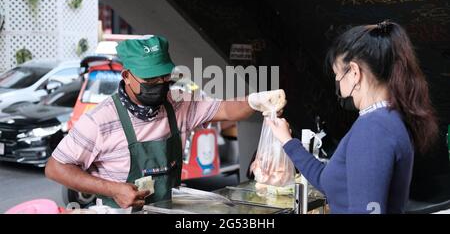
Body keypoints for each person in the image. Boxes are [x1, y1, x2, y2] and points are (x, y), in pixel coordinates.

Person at [45, 35, 286, 209]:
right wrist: (113, 189)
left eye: (164, 77)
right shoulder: (100, 120)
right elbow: (55, 168)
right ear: (127, 76)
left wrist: (256, 100)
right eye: (150, 80)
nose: (160, 84)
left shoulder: (178, 104)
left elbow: (225, 109)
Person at [267, 21, 438, 214]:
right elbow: (327, 179)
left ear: (355, 72)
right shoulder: (385, 119)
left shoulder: (373, 130)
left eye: (337, 75)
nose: (337, 84)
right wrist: (287, 141)